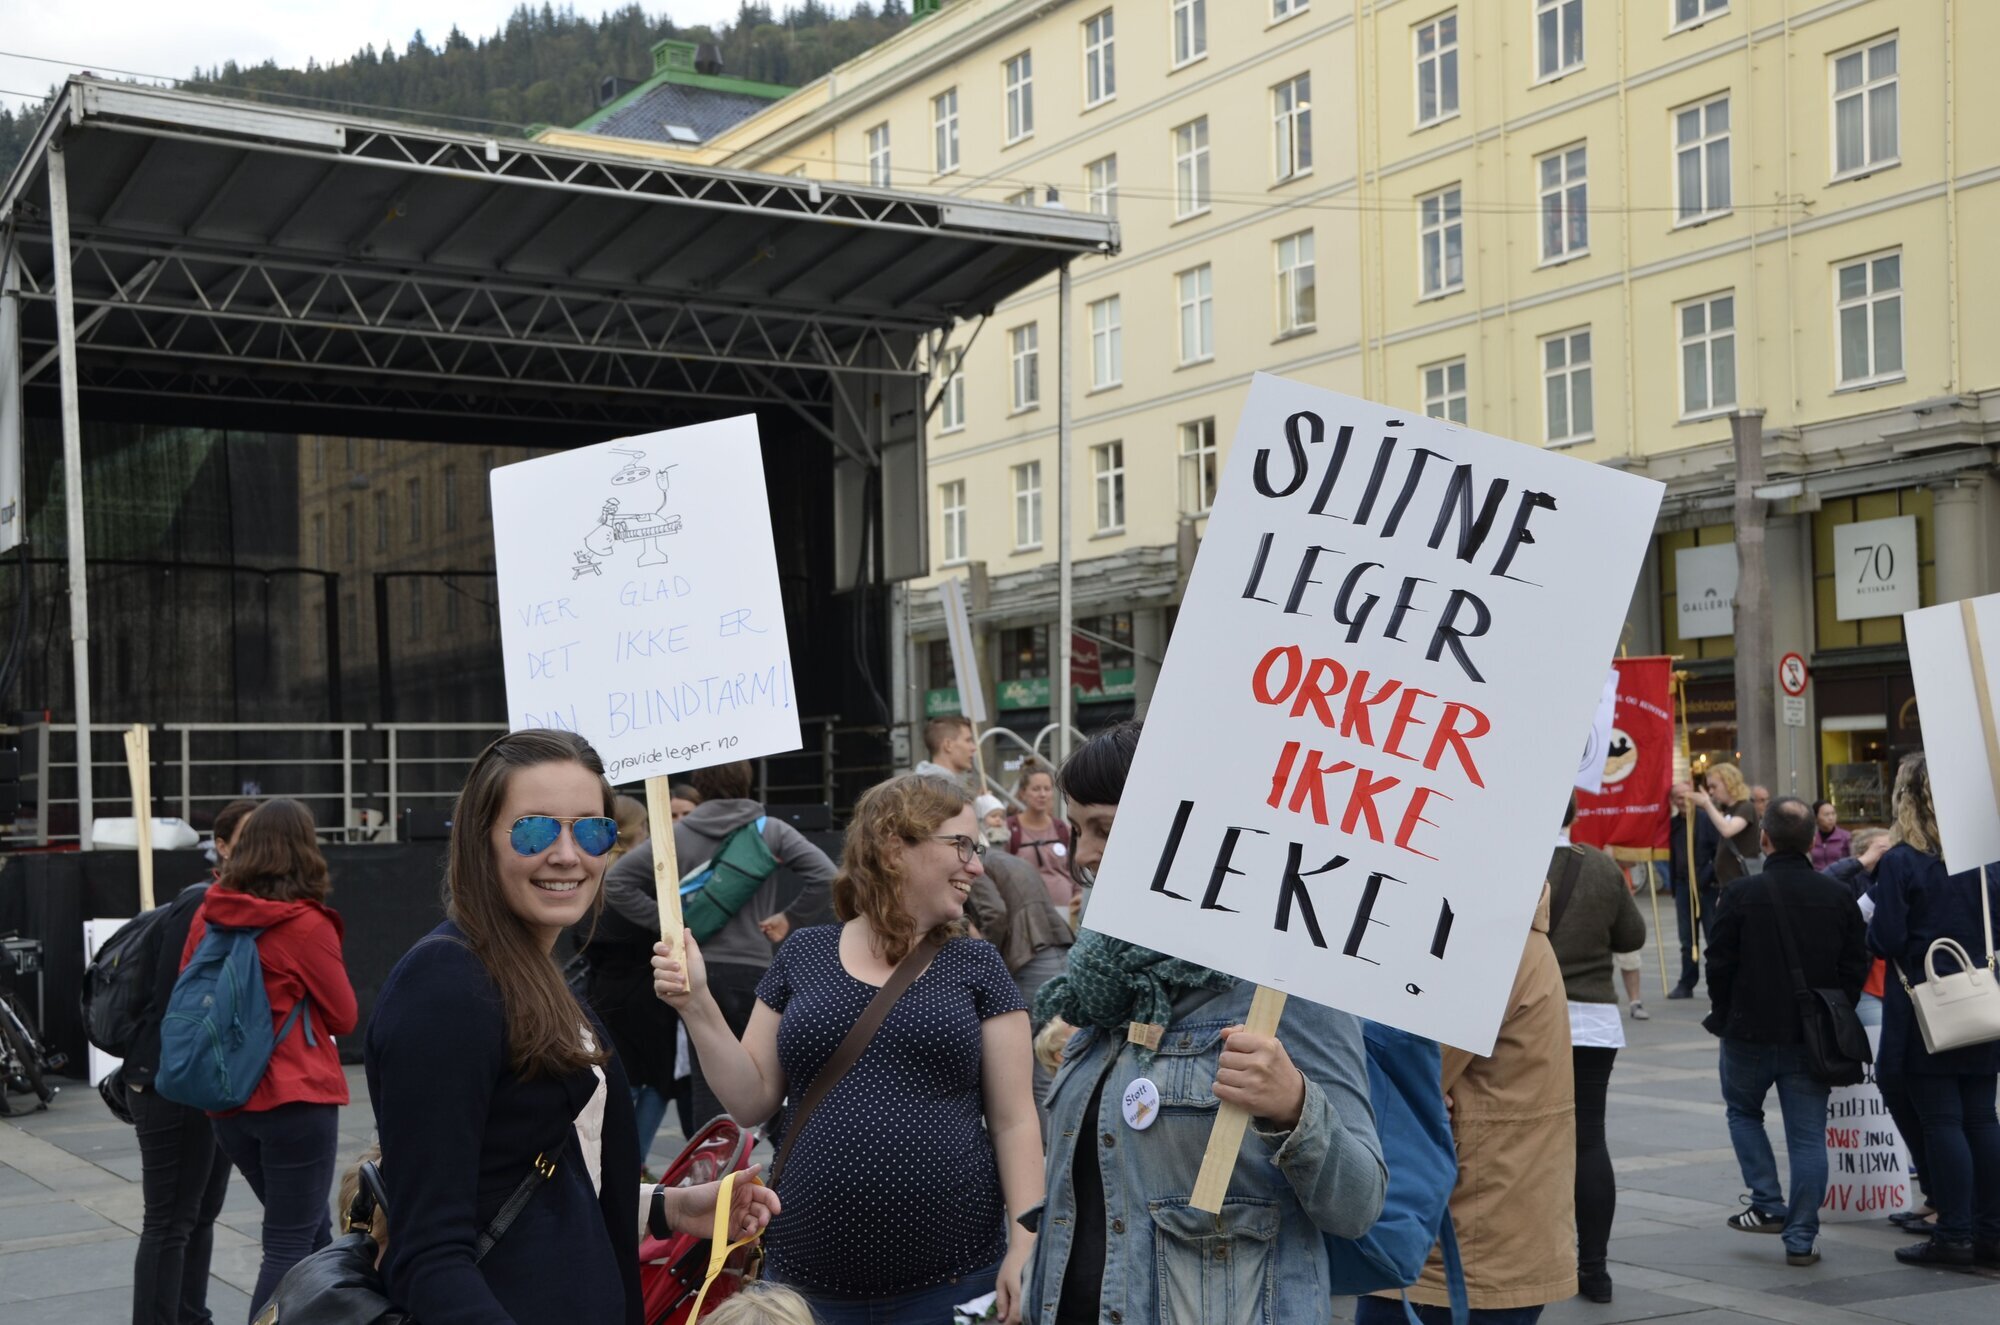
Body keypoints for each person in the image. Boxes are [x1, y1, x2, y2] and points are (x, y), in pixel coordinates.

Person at [367, 729, 777, 1324]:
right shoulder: (445, 985)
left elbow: (530, 1181)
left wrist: (677, 1208)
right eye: (535, 829)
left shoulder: (531, 974)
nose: (567, 854)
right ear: (481, 841)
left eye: (591, 830)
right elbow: (427, 1251)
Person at [1027, 722, 1388, 1325]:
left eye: (1105, 830)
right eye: (1077, 829)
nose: (1083, 854)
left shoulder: (1283, 979)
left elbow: (1358, 1204)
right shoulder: (1105, 982)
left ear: (1181, 828)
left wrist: (1295, 1105)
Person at [653, 773, 1044, 1324]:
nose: (976, 865)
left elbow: (1015, 1120)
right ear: (893, 846)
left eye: (976, 850)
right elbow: (750, 1100)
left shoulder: (976, 965)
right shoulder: (803, 953)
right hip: (804, 1288)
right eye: (961, 845)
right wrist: (696, 1003)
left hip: (952, 1281)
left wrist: (1026, 1244)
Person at [1362, 863, 1577, 1325]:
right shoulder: (1495, 929)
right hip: (1483, 1230)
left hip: (1455, 1241)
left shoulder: (1475, 942)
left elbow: (1381, 1086)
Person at [178, 799, 358, 1320]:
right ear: (306, 850)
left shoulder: (208, 914)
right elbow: (344, 1017)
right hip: (295, 1097)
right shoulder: (305, 923)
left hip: (228, 1101)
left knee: (315, 1234)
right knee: (288, 1242)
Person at [604, 760, 837, 1130]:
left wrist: (673, 925)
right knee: (772, 1078)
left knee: (708, 1082)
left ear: (699, 785)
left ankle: (714, 1178)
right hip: (757, 973)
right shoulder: (770, 831)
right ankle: (784, 1161)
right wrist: (789, 918)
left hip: (700, 971)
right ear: (748, 781)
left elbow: (616, 883)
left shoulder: (676, 836)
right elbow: (825, 875)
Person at [1703, 796, 1868, 1266]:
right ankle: (1800, 1237)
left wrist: (1725, 1010)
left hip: (1747, 1032)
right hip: (1811, 1038)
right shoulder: (1838, 897)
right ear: (1814, 840)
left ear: (1766, 839)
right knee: (1808, 1137)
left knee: (1742, 1112)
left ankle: (1766, 1201)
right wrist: (1833, 1011)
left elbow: (1719, 962)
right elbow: (1854, 965)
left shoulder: (1739, 895)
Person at [123, 797, 257, 1325]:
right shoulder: (202, 904)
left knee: (199, 1214)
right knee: (170, 1220)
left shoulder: (232, 903)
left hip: (201, 1083)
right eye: (247, 837)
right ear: (220, 846)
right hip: (170, 1080)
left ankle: (189, 1315)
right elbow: (175, 1003)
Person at [1865, 752, 2000, 1269]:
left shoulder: (1902, 861)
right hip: (1983, 1001)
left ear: (1907, 801)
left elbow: (1887, 937)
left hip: (1928, 1010)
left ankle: (1955, 1236)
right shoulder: (1984, 860)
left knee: (1942, 1121)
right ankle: (1991, 1232)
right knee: (1983, 1120)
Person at [1546, 799, 1646, 1303]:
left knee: (1522, 1139)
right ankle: (1596, 1270)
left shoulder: (1514, 865)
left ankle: (1536, 1256)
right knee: (1589, 1139)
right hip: (1593, 1020)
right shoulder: (1602, 866)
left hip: (1523, 1023)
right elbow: (1633, 934)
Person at [580, 793, 684, 1175]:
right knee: (657, 1080)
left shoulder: (590, 876)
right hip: (648, 993)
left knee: (617, 1077)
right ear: (639, 829)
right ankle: (632, 1160)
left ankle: (618, 1160)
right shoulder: (646, 882)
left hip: (603, 992)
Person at [965, 794, 1073, 1111]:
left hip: (1031, 959)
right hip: (1056, 951)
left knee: (1036, 1062)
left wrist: (984, 959)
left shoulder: (979, 863)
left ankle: (1047, 1152)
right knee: (1050, 1057)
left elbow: (994, 914)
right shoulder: (1007, 859)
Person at [1668, 780, 1721, 1000]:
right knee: (1687, 940)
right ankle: (1687, 982)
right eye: (1678, 797)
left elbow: (1719, 852)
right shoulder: (1672, 824)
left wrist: (1706, 877)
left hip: (1707, 887)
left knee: (1713, 937)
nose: (1683, 801)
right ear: (1673, 801)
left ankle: (1718, 982)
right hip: (1683, 886)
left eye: (1686, 795)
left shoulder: (1706, 819)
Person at [1005, 761, 1074, 909]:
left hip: (1065, 911)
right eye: (1036, 789)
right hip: (1024, 911)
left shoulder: (1063, 829)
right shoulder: (1010, 830)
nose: (1042, 794)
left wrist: (1079, 896)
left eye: (1047, 789)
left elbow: (1076, 871)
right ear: (1023, 793)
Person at [1689, 763, 1761, 888]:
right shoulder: (1729, 809)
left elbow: (1727, 830)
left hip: (1742, 882)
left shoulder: (1746, 807)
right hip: (1728, 883)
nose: (1711, 791)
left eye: (1714, 786)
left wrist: (1707, 804)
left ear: (1729, 783)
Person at [913, 714, 978, 791]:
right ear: (948, 745)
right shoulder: (939, 790)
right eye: (968, 740)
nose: (974, 748)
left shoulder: (925, 785)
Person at [1810, 801, 1852, 871]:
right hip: (1819, 878)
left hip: (1840, 878)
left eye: (1833, 814)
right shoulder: (1812, 838)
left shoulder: (1846, 837)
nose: (1831, 818)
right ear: (1816, 818)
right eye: (1826, 815)